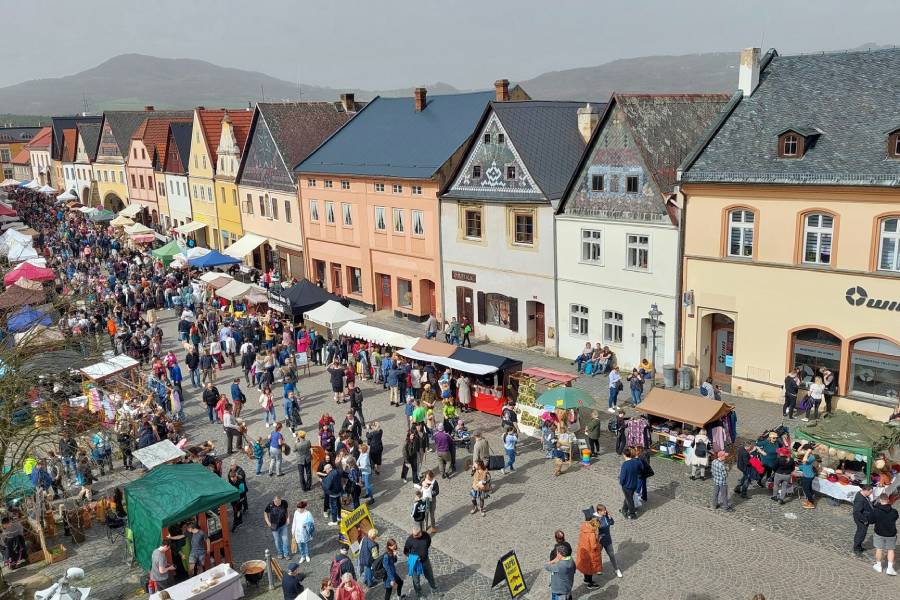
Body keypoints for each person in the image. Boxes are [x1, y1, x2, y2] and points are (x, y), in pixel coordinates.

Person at [403, 527, 439, 598]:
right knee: (416, 580)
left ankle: (434, 589)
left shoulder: (426, 536)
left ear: (421, 533)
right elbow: (405, 551)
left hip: (425, 561)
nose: (414, 536)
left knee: (430, 576)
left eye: (416, 535)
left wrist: (423, 553)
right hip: (415, 563)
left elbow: (428, 544)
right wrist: (413, 558)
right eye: (413, 534)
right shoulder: (410, 540)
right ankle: (419, 594)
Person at [871, 494, 898, 575]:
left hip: (879, 532)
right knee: (891, 550)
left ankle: (878, 566)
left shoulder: (876, 511)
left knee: (879, 549)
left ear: (880, 500)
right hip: (891, 534)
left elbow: (871, 520)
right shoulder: (894, 511)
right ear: (888, 500)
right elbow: (895, 518)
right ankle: (890, 568)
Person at [575, 508, 602, 589]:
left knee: (585, 567)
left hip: (583, 551)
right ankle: (590, 583)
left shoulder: (584, 527)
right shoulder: (591, 534)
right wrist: (598, 541)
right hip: (590, 554)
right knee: (590, 568)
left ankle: (586, 579)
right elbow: (594, 546)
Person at [264, 495, 290, 560]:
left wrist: (288, 518)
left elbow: (287, 510)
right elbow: (265, 513)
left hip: (283, 525)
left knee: (285, 540)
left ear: (281, 500)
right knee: (277, 540)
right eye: (277, 503)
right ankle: (280, 553)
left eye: (279, 503)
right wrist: (268, 523)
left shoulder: (284, 503)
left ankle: (286, 554)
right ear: (274, 501)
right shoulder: (270, 505)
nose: (278, 504)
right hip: (274, 526)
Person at [619, 448, 641, 519]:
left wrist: (621, 483)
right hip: (634, 484)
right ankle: (624, 509)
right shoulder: (635, 462)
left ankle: (632, 514)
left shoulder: (625, 464)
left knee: (629, 499)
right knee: (628, 497)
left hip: (627, 485)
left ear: (625, 455)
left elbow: (622, 477)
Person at [852, 484, 875, 554]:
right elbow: (856, 512)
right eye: (870, 492)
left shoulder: (864, 495)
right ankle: (856, 548)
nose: (871, 494)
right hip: (861, 519)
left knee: (863, 533)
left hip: (865, 517)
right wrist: (865, 520)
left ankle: (859, 546)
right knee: (861, 533)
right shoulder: (860, 499)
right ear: (865, 490)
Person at [797, 445, 817, 509]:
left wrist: (808, 451)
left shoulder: (811, 457)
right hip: (806, 474)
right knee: (809, 489)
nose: (803, 451)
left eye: (804, 450)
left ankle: (811, 503)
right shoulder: (807, 455)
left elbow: (804, 461)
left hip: (808, 476)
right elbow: (798, 451)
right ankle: (809, 500)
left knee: (806, 490)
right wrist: (803, 445)